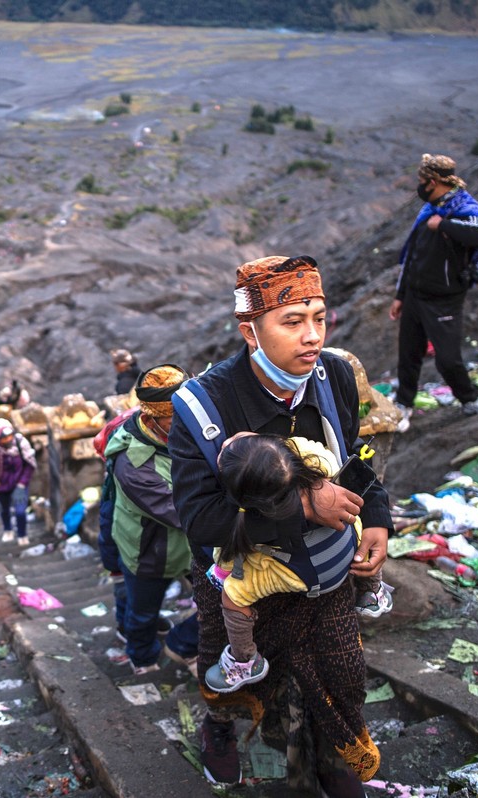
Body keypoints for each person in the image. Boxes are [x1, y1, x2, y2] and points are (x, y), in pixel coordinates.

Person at [168, 255, 391, 792]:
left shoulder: (333, 375)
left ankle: (338, 757)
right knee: (234, 674)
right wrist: (305, 509)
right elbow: (202, 520)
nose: (312, 336)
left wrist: (378, 514)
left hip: (324, 568)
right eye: (292, 321)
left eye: (319, 316)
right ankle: (220, 728)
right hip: (241, 580)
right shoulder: (203, 407)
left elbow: (352, 459)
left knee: (341, 671)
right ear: (250, 331)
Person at [204, 433, 393, 694]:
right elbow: (310, 446)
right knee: (356, 522)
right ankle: (373, 591)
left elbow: (231, 552)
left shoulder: (252, 518)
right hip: (345, 551)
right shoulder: (320, 461)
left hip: (306, 574)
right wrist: (270, 443)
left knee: (233, 593)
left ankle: (244, 660)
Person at [390, 153, 478, 431]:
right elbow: (412, 256)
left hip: (444, 298)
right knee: (408, 354)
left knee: (448, 357)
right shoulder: (429, 209)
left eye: (422, 181)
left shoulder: (463, 207)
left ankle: (469, 400)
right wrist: (400, 296)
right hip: (415, 293)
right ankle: (403, 404)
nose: (420, 186)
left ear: (434, 181)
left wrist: (444, 225)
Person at [103, 364, 200, 676]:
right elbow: (179, 511)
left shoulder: (180, 436)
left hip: (185, 546)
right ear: (153, 418)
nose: (187, 424)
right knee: (142, 610)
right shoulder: (133, 463)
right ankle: (142, 656)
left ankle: (170, 638)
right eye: (176, 418)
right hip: (149, 550)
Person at [0, 418, 36, 544]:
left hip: (19, 483)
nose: (8, 440)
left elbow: (29, 465)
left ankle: (22, 535)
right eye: (3, 438)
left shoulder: (20, 443)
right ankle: (8, 529)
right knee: (4, 510)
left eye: (9, 436)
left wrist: (22, 485)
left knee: (20, 512)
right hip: (1, 486)